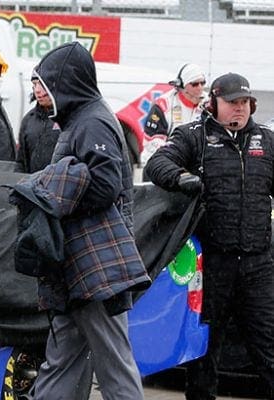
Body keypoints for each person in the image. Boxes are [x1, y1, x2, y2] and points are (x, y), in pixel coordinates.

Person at [27, 42, 150, 400]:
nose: (38, 89)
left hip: (97, 264)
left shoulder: (92, 122)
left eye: (45, 83)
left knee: (113, 363)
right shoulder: (80, 119)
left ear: (67, 83)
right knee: (62, 359)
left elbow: (106, 185)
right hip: (79, 263)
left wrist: (52, 193)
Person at [144, 72, 274, 400]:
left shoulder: (267, 141)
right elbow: (156, 164)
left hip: (258, 265)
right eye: (232, 103)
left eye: (245, 102)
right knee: (204, 352)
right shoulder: (194, 136)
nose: (240, 109)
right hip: (212, 264)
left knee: (268, 345)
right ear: (215, 102)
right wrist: (182, 177)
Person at [140, 63, 207, 163]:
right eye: (195, 84)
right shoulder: (164, 104)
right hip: (164, 160)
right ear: (183, 85)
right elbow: (152, 141)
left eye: (203, 83)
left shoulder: (208, 103)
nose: (200, 87)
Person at [17, 77, 62, 173]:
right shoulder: (28, 120)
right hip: (32, 184)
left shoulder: (70, 118)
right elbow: (21, 162)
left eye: (42, 84)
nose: (37, 90)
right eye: (34, 84)